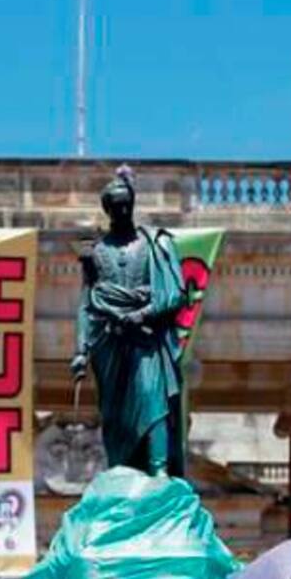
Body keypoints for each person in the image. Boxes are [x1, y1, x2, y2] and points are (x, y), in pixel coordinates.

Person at [70, 165, 188, 477]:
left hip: (147, 337)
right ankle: (121, 472)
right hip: (110, 341)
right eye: (116, 206)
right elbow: (87, 302)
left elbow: (176, 292)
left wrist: (142, 314)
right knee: (116, 415)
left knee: (153, 397)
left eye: (127, 204)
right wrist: (81, 349)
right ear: (107, 210)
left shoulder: (157, 244)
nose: (123, 210)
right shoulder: (95, 253)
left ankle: (159, 470)